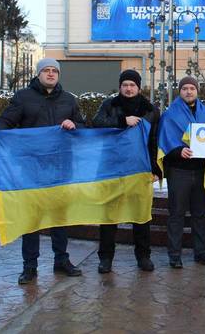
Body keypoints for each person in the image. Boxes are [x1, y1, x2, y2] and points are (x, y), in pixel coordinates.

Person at [0, 58, 84, 285]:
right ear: (38, 74)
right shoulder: (23, 97)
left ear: (58, 75)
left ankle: (62, 260)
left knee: (60, 216)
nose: (50, 74)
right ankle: (30, 266)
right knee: (32, 218)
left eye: (54, 71)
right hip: (31, 167)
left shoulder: (69, 100)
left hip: (60, 166)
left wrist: (74, 124)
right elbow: (7, 121)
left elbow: (84, 126)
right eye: (46, 70)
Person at [91, 69, 161, 274]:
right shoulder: (109, 105)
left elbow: (154, 140)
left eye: (132, 85)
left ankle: (143, 256)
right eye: (125, 85)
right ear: (120, 87)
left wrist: (156, 168)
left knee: (141, 216)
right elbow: (96, 124)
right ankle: (105, 258)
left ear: (139, 87)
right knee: (108, 217)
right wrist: (123, 121)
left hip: (139, 170)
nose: (129, 89)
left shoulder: (151, 110)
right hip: (112, 168)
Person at [157, 76, 205, 269]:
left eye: (192, 88)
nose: (189, 91)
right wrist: (177, 150)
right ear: (180, 91)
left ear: (197, 91)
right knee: (176, 214)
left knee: (199, 214)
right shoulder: (170, 115)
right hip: (179, 171)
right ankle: (174, 254)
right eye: (185, 88)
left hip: (201, 171)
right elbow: (165, 141)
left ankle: (201, 252)